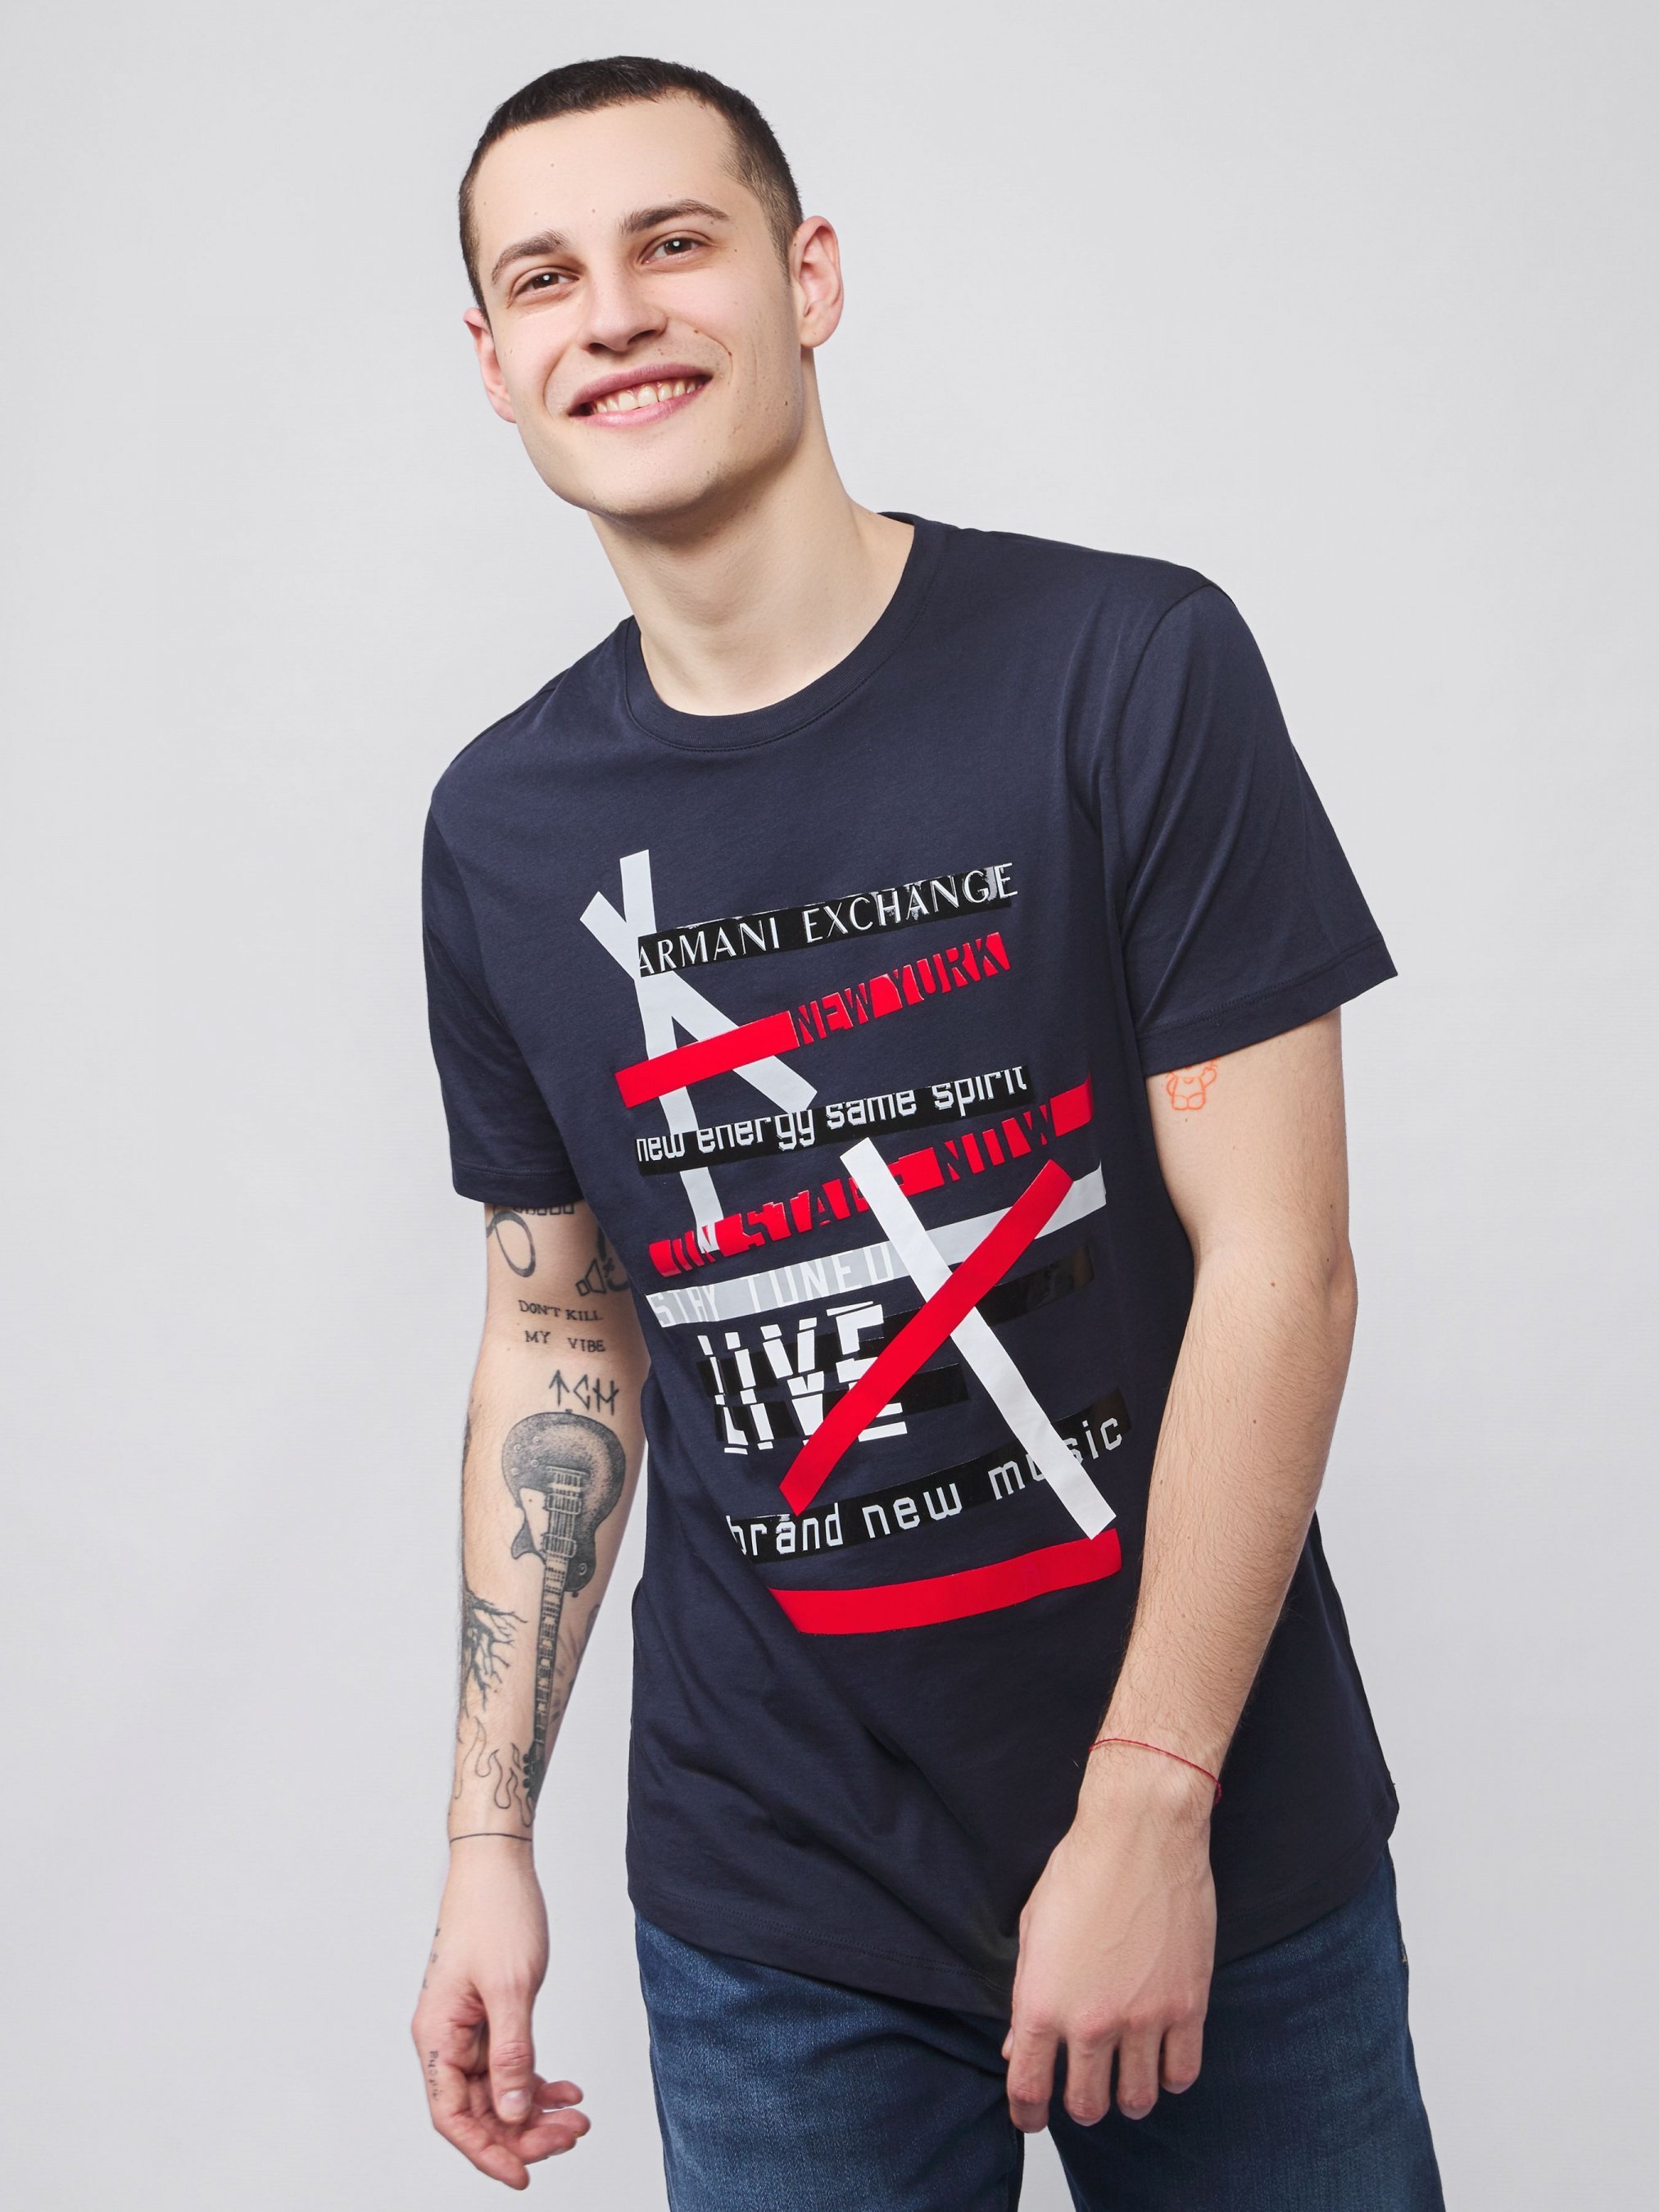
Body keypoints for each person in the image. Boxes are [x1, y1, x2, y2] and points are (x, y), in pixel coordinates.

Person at [410, 53, 1443, 2210]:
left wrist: (1149, 1800)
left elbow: (1283, 1261)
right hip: (775, 1903)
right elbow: (563, 1333)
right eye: (545, 277)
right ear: (491, 363)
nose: (614, 312)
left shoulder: (1123, 666)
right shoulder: (502, 828)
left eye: (672, 242)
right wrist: (485, 1833)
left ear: (808, 278)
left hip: (1218, 1831)